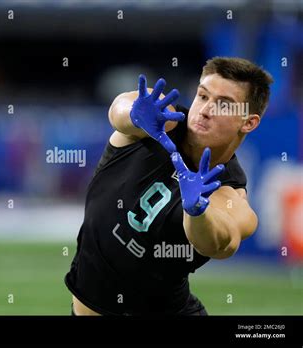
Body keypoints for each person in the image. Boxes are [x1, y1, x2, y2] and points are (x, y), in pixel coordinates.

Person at [65, 57, 273, 315]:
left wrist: (197, 212)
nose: (206, 110)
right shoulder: (161, 121)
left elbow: (221, 244)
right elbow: (120, 109)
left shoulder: (227, 192)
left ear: (248, 122)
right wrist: (134, 114)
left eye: (224, 104)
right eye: (203, 96)